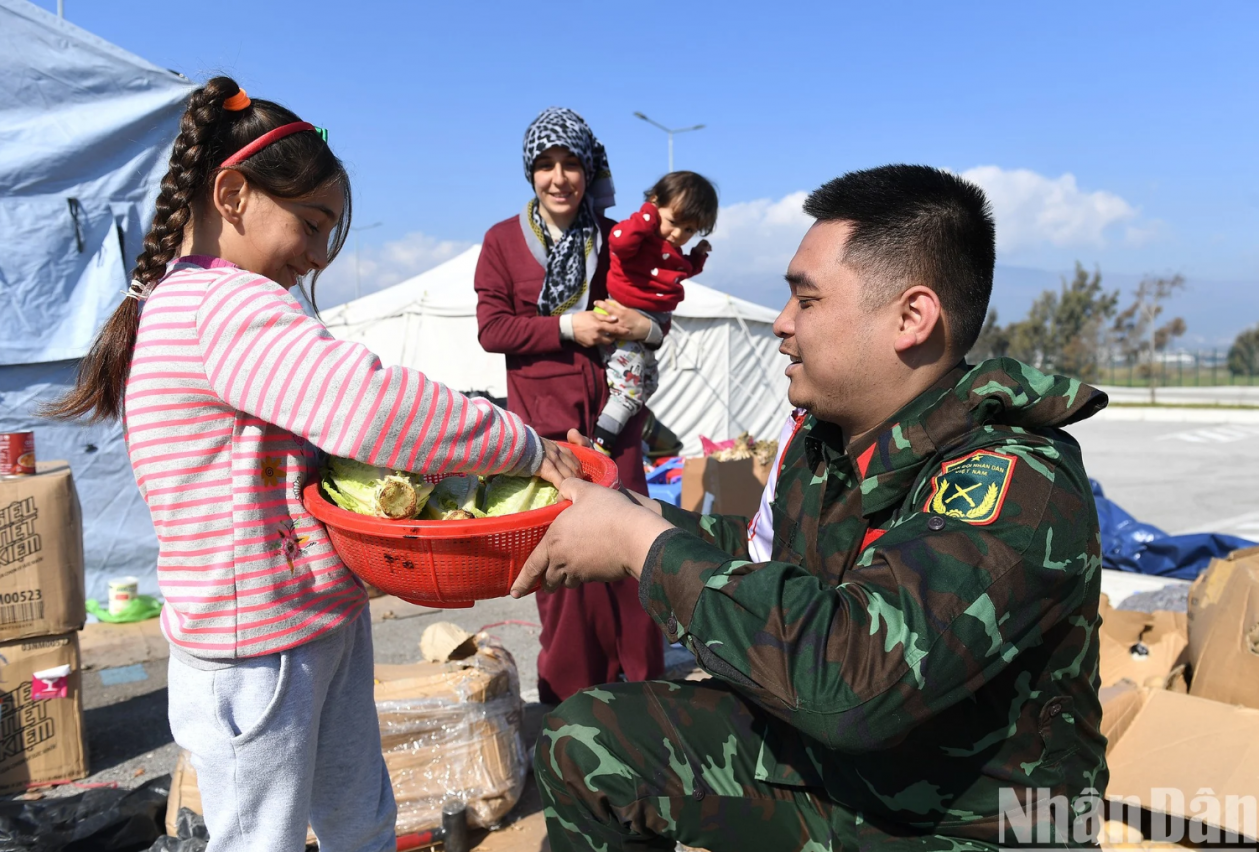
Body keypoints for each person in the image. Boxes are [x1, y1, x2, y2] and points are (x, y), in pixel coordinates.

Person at [44, 77, 578, 852]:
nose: (322, 253)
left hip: (310, 618)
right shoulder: (220, 307)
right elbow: (372, 407)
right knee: (260, 838)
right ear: (231, 194)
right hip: (253, 651)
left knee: (361, 817)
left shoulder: (205, 302)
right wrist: (522, 445)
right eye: (312, 222)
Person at [512, 165, 1110, 851]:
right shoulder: (831, 440)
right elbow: (766, 560)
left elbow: (853, 682)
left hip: (964, 822)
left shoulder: (1012, 479)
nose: (781, 324)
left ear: (911, 318)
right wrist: (619, 509)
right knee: (589, 745)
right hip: (854, 776)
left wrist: (638, 545)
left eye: (808, 300)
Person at [475, 107, 666, 704]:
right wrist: (566, 327)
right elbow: (493, 328)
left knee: (636, 558)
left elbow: (654, 309)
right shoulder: (503, 241)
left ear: (588, 170)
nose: (559, 178)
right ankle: (571, 710)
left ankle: (648, 700)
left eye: (571, 165)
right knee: (561, 572)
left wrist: (648, 326)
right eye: (546, 165)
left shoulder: (615, 240)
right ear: (530, 172)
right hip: (546, 433)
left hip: (616, 425)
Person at [592, 171, 718, 454]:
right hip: (626, 315)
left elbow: (682, 270)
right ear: (654, 203)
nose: (678, 234)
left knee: (649, 382)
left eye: (689, 230)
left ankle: (618, 428)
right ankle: (601, 441)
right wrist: (648, 213)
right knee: (629, 392)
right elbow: (619, 241)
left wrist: (698, 254)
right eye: (673, 222)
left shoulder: (669, 249)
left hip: (652, 323)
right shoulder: (640, 237)